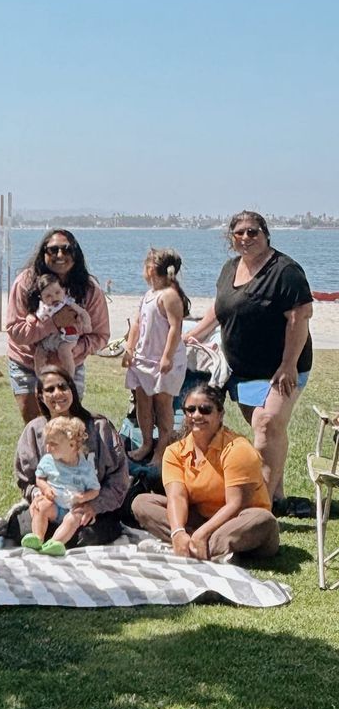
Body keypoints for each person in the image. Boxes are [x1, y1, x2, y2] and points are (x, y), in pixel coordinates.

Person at [184, 210, 313, 513]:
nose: (246, 238)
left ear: (266, 234)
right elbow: (219, 309)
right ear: (231, 238)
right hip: (241, 371)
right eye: (239, 233)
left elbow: (300, 317)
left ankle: (260, 503)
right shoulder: (230, 268)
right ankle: (278, 496)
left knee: (268, 423)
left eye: (252, 232)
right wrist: (194, 335)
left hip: (281, 369)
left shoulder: (285, 271)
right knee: (265, 428)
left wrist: (288, 364)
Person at [131, 383, 279, 561]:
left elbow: (236, 505)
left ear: (220, 414)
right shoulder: (175, 451)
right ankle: (195, 547)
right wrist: (178, 531)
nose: (197, 415)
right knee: (142, 502)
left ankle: (194, 548)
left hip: (238, 522)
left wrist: (202, 533)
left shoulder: (238, 449)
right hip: (200, 519)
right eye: (190, 410)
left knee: (262, 518)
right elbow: (177, 497)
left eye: (205, 410)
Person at [10, 366, 128, 548]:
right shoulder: (34, 430)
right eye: (50, 390)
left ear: (72, 389)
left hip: (88, 513)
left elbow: (119, 480)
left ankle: (57, 541)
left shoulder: (99, 428)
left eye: (63, 387)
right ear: (40, 396)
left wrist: (94, 506)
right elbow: (25, 479)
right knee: (23, 526)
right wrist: (38, 495)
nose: (58, 393)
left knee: (93, 532)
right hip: (51, 509)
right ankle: (46, 539)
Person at [6, 229, 110, 422]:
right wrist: (52, 324)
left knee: (67, 425)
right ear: (43, 253)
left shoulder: (89, 289)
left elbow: (100, 335)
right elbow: (15, 331)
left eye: (67, 250)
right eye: (53, 250)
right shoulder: (25, 283)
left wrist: (71, 350)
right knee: (35, 425)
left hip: (70, 366)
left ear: (76, 254)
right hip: (27, 363)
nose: (60, 255)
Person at [122, 248, 189, 463]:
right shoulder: (149, 295)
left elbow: (175, 328)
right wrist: (130, 350)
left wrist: (167, 356)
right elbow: (137, 323)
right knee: (143, 403)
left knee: (163, 404)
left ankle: (162, 448)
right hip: (143, 358)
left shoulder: (169, 295)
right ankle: (146, 442)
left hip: (162, 360)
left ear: (150, 269)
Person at [21, 416, 101, 558]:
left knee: (74, 518)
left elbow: (95, 490)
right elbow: (39, 477)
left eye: (53, 444)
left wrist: (83, 497)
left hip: (72, 507)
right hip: (54, 505)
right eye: (47, 443)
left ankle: (55, 543)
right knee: (41, 507)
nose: (48, 448)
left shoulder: (85, 468)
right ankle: (37, 538)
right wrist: (45, 488)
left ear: (72, 445)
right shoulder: (48, 461)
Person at [30, 272, 92, 378]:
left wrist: (87, 324)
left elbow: (83, 312)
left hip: (67, 336)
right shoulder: (42, 307)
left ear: (63, 290)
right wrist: (30, 319)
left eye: (57, 292)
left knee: (64, 352)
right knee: (38, 355)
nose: (54, 297)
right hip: (48, 338)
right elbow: (34, 316)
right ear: (41, 297)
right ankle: (41, 378)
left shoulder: (67, 302)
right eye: (48, 296)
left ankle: (69, 377)